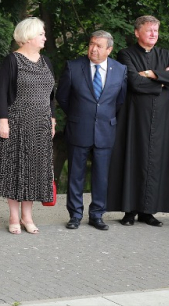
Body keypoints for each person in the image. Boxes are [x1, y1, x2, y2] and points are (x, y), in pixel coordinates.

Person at [106, 15, 169, 227]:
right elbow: (134, 82)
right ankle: (129, 211)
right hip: (135, 117)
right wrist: (161, 81)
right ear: (137, 32)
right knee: (133, 158)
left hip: (161, 119)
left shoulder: (164, 54)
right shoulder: (126, 54)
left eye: (156, 31)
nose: (153, 34)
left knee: (156, 161)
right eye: (149, 30)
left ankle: (148, 212)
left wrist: (150, 73)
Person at [0, 18, 56, 234]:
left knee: (35, 171)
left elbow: (51, 95)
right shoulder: (12, 60)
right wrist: (3, 121)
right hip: (16, 123)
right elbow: (1, 92)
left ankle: (28, 216)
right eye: (41, 34)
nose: (45, 38)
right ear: (28, 37)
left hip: (40, 125)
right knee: (15, 170)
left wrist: (52, 119)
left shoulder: (46, 62)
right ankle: (14, 216)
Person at [56, 30, 127, 231]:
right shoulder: (73, 67)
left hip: (106, 130)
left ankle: (97, 215)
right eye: (91, 44)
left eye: (99, 46)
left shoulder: (120, 70)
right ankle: (75, 215)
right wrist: (78, 115)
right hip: (79, 128)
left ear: (109, 49)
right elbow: (63, 97)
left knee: (101, 175)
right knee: (75, 174)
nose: (93, 49)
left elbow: (119, 101)